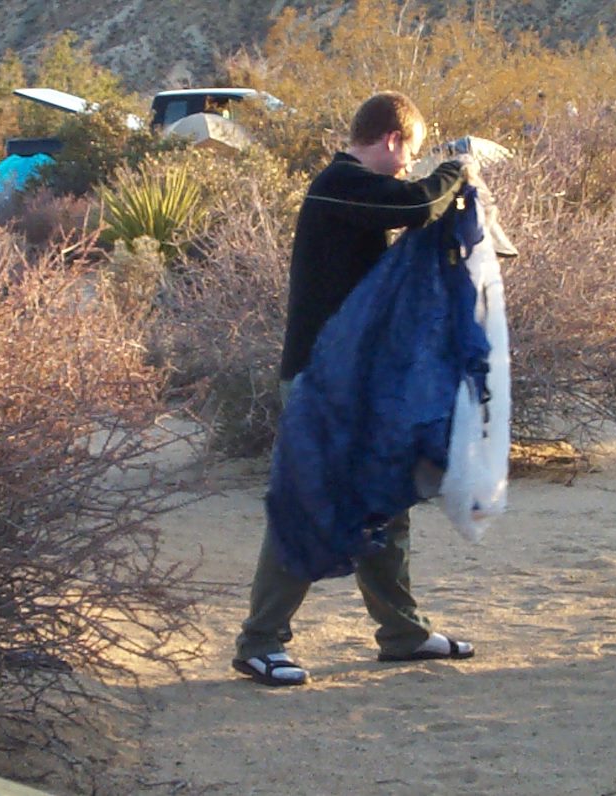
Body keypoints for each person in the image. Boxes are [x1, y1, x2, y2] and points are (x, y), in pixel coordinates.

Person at [232, 91, 475, 687]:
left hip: (356, 379)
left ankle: (404, 634)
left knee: (385, 504)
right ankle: (260, 641)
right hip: (322, 382)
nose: (407, 165)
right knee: (311, 506)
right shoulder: (337, 186)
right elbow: (419, 203)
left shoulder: (356, 193)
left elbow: (413, 208)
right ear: (392, 140)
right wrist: (455, 169)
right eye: (408, 153)